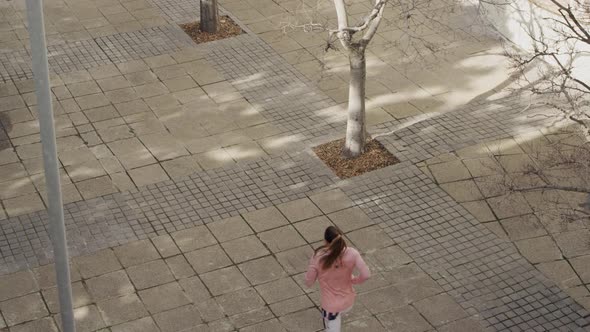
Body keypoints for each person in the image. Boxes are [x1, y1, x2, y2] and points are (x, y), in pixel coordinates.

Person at [305, 226, 371, 332]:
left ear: (325, 241)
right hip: (348, 301)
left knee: (331, 327)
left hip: (331, 307)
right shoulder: (352, 253)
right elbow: (366, 274)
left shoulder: (318, 257)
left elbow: (309, 282)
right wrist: (355, 280)